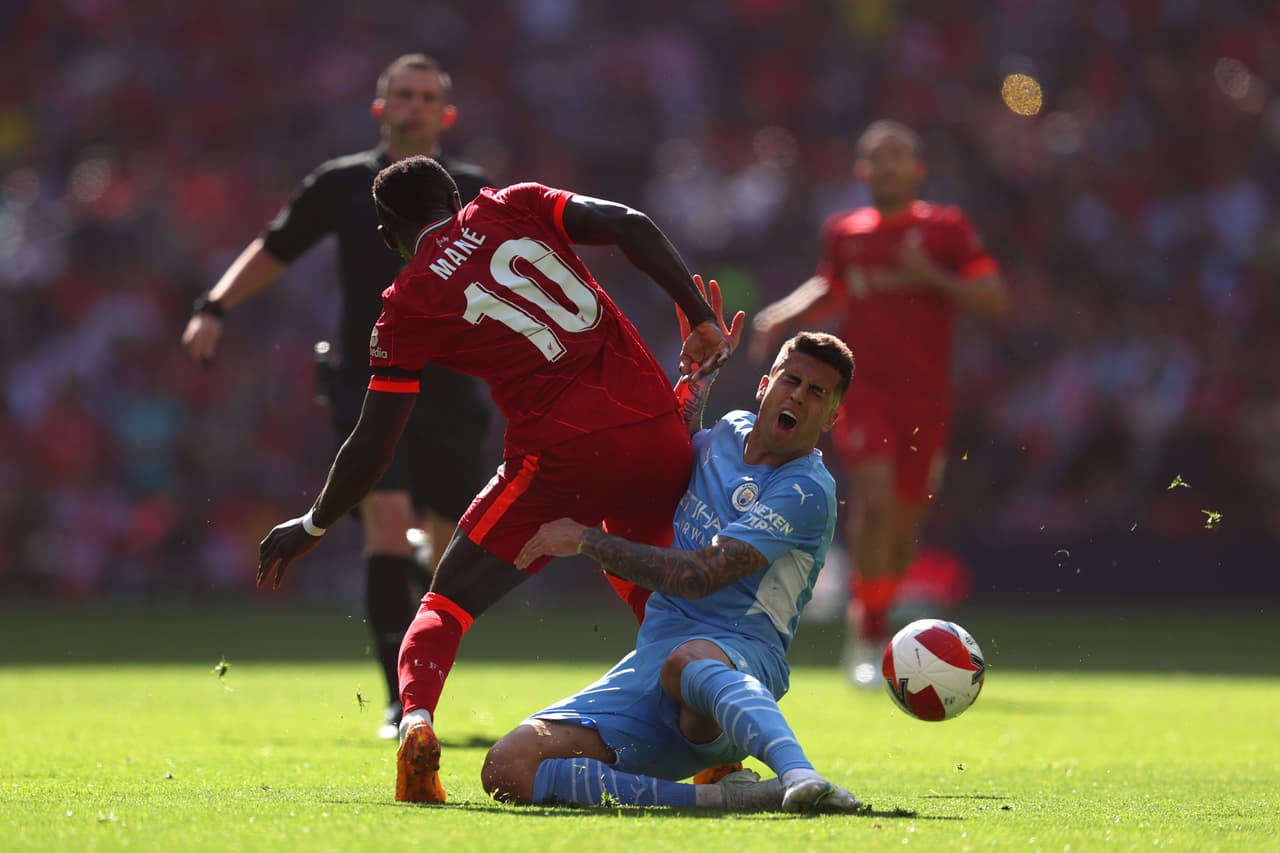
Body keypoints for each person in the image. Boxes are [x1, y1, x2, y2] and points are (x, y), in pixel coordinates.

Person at [255, 154, 733, 803]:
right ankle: (717, 752)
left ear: (388, 236)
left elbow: (372, 444)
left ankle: (416, 722)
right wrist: (699, 315)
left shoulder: (405, 304)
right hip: (654, 431)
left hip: (562, 456)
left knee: (445, 602)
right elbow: (629, 223)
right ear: (455, 197)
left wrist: (314, 523)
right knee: (663, 604)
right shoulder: (514, 202)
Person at [181, 54, 495, 738]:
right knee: (385, 523)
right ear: (380, 107)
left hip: (452, 381)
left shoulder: (474, 191)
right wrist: (215, 304)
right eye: (403, 95)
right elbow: (277, 245)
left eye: (427, 97)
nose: (414, 106)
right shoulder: (342, 183)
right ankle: (401, 701)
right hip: (370, 377)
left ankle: (420, 601)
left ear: (446, 115)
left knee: (448, 548)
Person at [479, 330, 861, 812]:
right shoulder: (727, 431)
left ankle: (801, 775)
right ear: (765, 385)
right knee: (507, 767)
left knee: (688, 660)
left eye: (817, 392)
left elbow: (700, 576)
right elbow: (670, 449)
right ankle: (721, 799)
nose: (799, 397)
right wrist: (698, 380)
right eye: (792, 381)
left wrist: (587, 540)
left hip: (741, 660)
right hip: (652, 662)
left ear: (832, 416)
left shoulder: (806, 490)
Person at [750, 120, 1008, 687]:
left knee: (904, 522)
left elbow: (992, 299)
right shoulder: (847, 232)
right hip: (863, 389)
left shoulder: (946, 230)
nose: (888, 166)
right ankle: (866, 636)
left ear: (917, 169)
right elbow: (832, 285)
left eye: (898, 156)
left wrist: (929, 275)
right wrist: (779, 317)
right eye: (877, 158)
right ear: (862, 171)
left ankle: (877, 617)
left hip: (926, 399)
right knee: (876, 498)